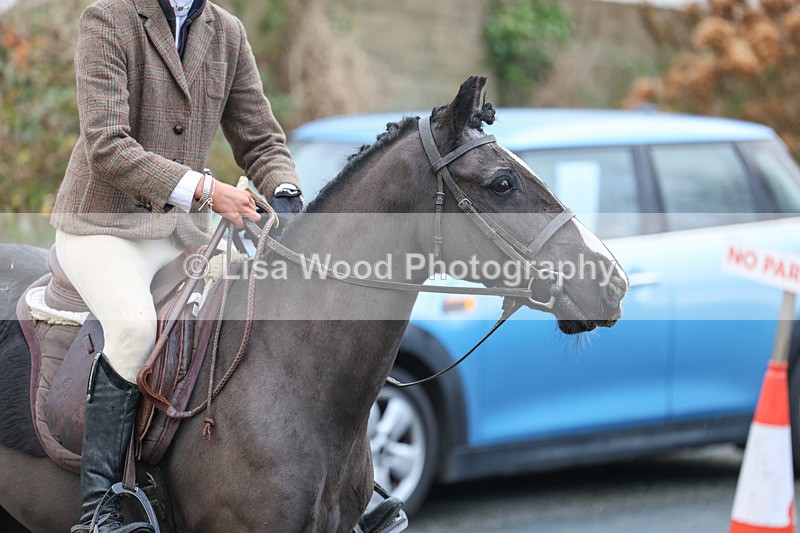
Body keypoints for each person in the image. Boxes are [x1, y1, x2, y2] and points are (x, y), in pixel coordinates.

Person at [49, 0, 303, 531]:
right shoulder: (108, 18)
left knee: (263, 305)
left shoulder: (226, 31)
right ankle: (98, 510)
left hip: (179, 233)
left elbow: (260, 137)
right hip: (102, 227)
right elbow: (107, 146)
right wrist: (210, 192)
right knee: (133, 328)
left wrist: (283, 189)